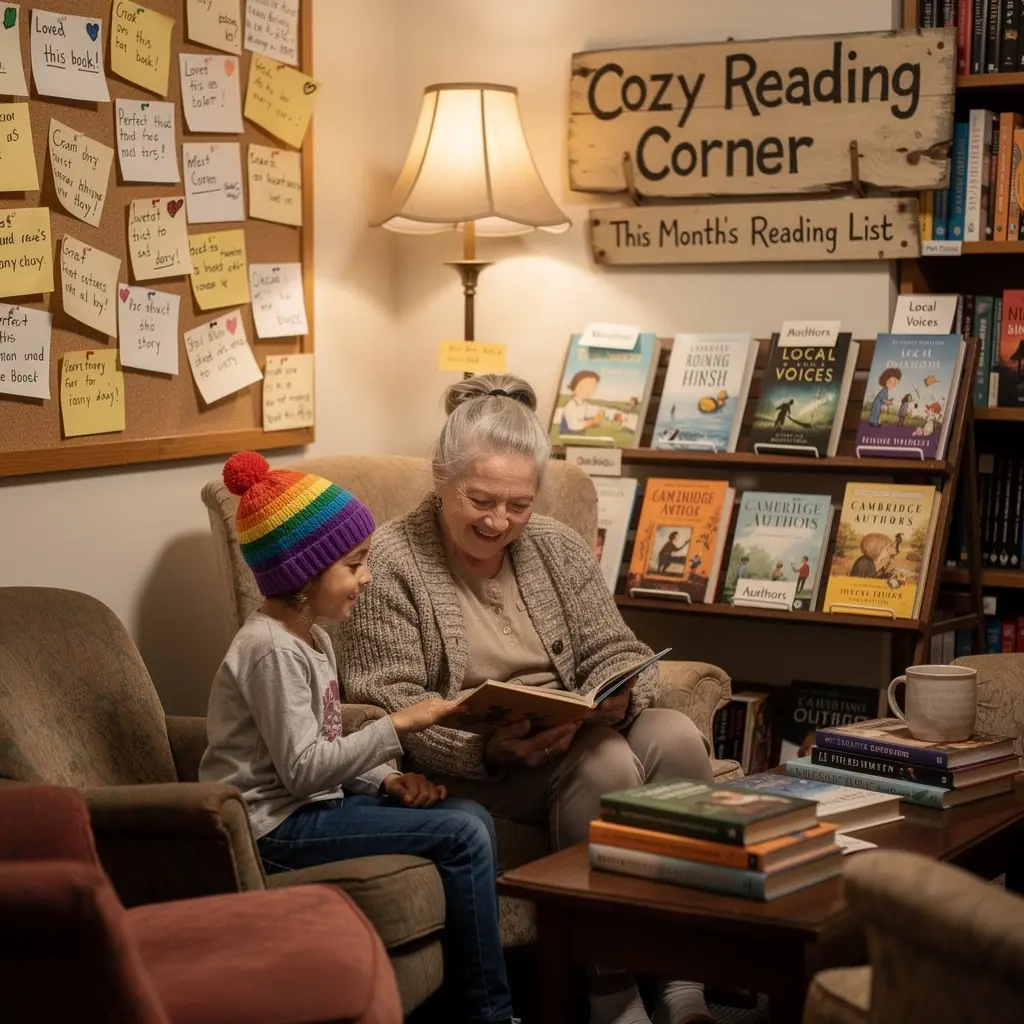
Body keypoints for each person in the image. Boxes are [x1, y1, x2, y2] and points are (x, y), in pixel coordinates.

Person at [342, 374, 715, 1024]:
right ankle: (612, 992)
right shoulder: (392, 560)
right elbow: (385, 702)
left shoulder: (554, 545)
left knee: (677, 739)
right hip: (474, 755)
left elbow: (614, 647)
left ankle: (683, 976)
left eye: (518, 505)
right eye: (481, 500)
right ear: (441, 477)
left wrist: (620, 694)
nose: (498, 522)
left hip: (574, 725)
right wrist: (485, 750)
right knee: (603, 763)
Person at [199, 451, 517, 1024]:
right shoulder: (269, 650)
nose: (366, 577)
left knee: (471, 816)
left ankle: (474, 1006)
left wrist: (386, 779)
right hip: (272, 828)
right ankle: (487, 1014)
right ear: (304, 574)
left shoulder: (312, 638)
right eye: (354, 564)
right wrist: (396, 726)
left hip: (312, 806)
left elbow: (324, 740)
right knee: (464, 834)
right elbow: (304, 770)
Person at [558, 369, 605, 434]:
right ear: (576, 386)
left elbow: (594, 410)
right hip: (568, 435)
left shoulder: (584, 404)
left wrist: (601, 411)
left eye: (593, 387)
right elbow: (573, 426)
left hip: (578, 435)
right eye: (587, 386)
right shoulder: (571, 405)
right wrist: (592, 422)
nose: (589, 390)